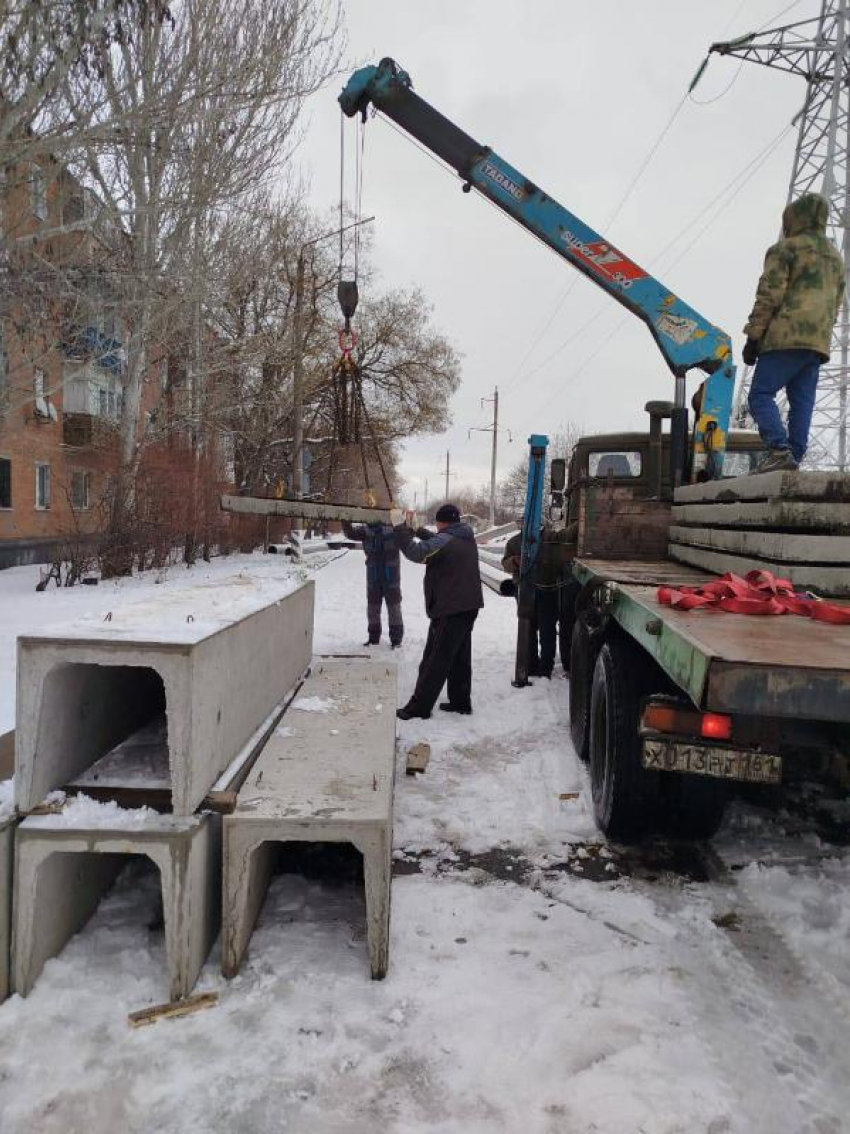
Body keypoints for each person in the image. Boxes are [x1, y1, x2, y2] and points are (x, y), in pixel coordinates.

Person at [742, 192, 845, 473]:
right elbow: (836, 304)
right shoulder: (835, 259)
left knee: (760, 395)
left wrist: (754, 335)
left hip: (784, 337)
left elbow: (769, 295)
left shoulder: (785, 249)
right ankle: (793, 457)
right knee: (802, 403)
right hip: (817, 343)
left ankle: (778, 449)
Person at [393, 502, 484, 720]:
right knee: (460, 657)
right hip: (467, 605)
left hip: (450, 608)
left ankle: (419, 707)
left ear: (441, 522)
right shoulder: (463, 535)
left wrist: (399, 529)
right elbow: (438, 541)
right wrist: (415, 530)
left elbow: (417, 553)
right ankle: (461, 702)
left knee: (435, 659)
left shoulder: (447, 539)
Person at [501, 525, 571, 678]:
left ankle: (546, 667)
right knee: (528, 628)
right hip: (525, 591)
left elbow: (563, 555)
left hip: (548, 590)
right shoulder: (514, 542)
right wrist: (514, 561)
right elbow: (505, 563)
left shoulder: (552, 538)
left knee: (547, 630)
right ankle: (531, 664)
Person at [341, 520, 403, 648]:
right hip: (373, 577)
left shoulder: (394, 529)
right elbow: (350, 533)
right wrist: (344, 518)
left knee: (394, 609)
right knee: (373, 609)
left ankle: (396, 640)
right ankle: (373, 638)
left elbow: (409, 534)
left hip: (391, 577)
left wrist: (409, 523)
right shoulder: (365, 530)